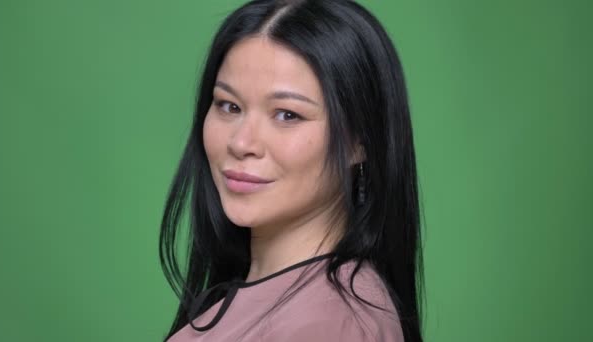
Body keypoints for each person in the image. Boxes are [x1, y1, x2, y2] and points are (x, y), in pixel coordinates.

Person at [159, 0, 424, 341]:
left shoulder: (326, 323)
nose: (241, 143)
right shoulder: (278, 298)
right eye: (229, 106)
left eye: (287, 114)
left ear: (361, 142)